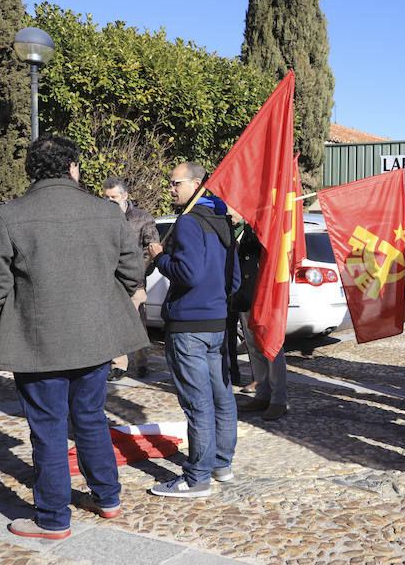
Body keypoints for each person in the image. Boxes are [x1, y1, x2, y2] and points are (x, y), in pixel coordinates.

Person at [0, 134, 149, 539]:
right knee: (89, 417)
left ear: (30, 171)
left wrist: (15, 322)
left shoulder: (7, 214)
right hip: (94, 338)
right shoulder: (108, 213)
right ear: (73, 168)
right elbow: (132, 274)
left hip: (38, 342)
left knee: (49, 427)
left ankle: (54, 519)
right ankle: (108, 498)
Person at [147, 162, 241, 498]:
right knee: (221, 397)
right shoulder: (223, 222)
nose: (170, 188)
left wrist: (160, 257)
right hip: (217, 323)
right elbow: (234, 280)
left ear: (197, 184)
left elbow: (187, 273)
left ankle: (197, 476)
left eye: (175, 183)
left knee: (198, 402)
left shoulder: (188, 222)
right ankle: (221, 464)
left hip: (189, 326)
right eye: (169, 182)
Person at [229, 210, 289, 420]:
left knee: (271, 347)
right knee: (253, 347)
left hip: (266, 296)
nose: (230, 210)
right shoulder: (244, 228)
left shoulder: (266, 224)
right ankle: (262, 394)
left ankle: (278, 399)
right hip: (247, 295)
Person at [102, 176, 159, 380]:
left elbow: (151, 248)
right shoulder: (100, 218)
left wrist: (136, 271)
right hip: (110, 282)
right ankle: (118, 365)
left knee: (137, 325)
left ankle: (142, 362)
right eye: (106, 197)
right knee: (114, 326)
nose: (110, 201)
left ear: (125, 196)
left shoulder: (142, 218)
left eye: (114, 197)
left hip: (135, 283)